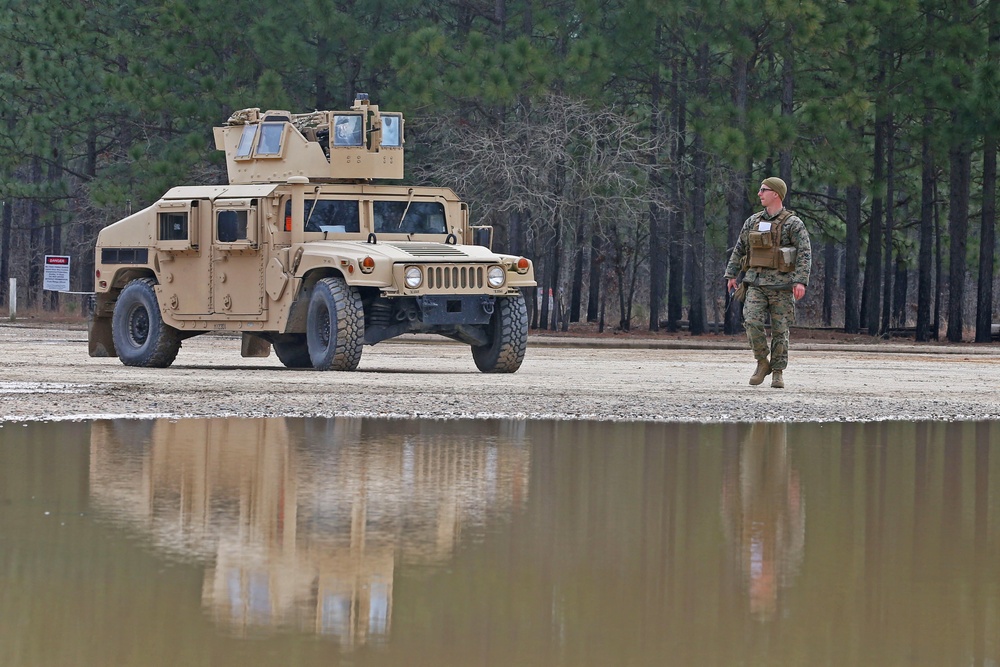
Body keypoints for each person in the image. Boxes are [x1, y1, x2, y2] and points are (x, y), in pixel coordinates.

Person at [724, 177, 811, 388]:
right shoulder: (752, 222)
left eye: (763, 190)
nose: (759, 194)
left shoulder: (793, 223)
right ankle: (762, 362)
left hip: (782, 285)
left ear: (776, 194)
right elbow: (740, 248)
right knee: (751, 321)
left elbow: (804, 253)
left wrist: (800, 281)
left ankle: (778, 372)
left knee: (781, 330)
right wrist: (732, 274)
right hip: (756, 282)